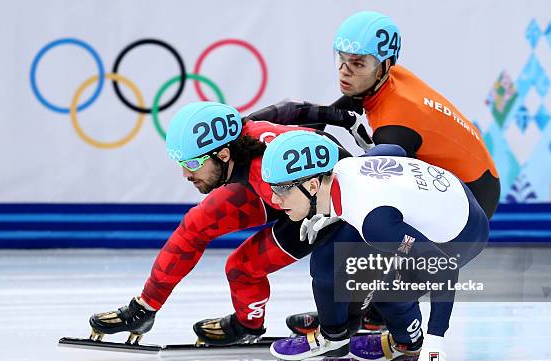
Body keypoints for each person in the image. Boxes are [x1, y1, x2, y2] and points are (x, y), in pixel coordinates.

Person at [249, 11, 499, 334]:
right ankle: (365, 307)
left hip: (471, 195)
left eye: (357, 64)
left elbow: (374, 193)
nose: (345, 71)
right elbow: (334, 113)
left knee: (372, 236)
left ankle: (375, 312)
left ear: (383, 66)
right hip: (469, 172)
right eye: (341, 59)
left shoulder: (396, 125)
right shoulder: (384, 81)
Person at [88, 102, 353, 346]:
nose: (186, 174)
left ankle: (367, 309)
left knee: (242, 267)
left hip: (325, 205)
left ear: (224, 154)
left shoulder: (263, 169)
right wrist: (338, 116)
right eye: (181, 163)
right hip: (285, 187)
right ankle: (143, 309)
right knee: (196, 224)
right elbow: (288, 108)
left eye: (192, 163)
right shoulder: (243, 132)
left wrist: (346, 313)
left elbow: (349, 225)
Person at [260, 130, 489, 361]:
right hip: (447, 194)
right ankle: (335, 335)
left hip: (463, 234)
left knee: (388, 293)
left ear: (312, 186)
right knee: (327, 258)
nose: (275, 200)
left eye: (280, 190)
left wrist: (435, 343)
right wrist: (332, 213)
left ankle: (410, 343)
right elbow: (394, 150)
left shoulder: (374, 223)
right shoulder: (346, 167)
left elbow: (443, 270)